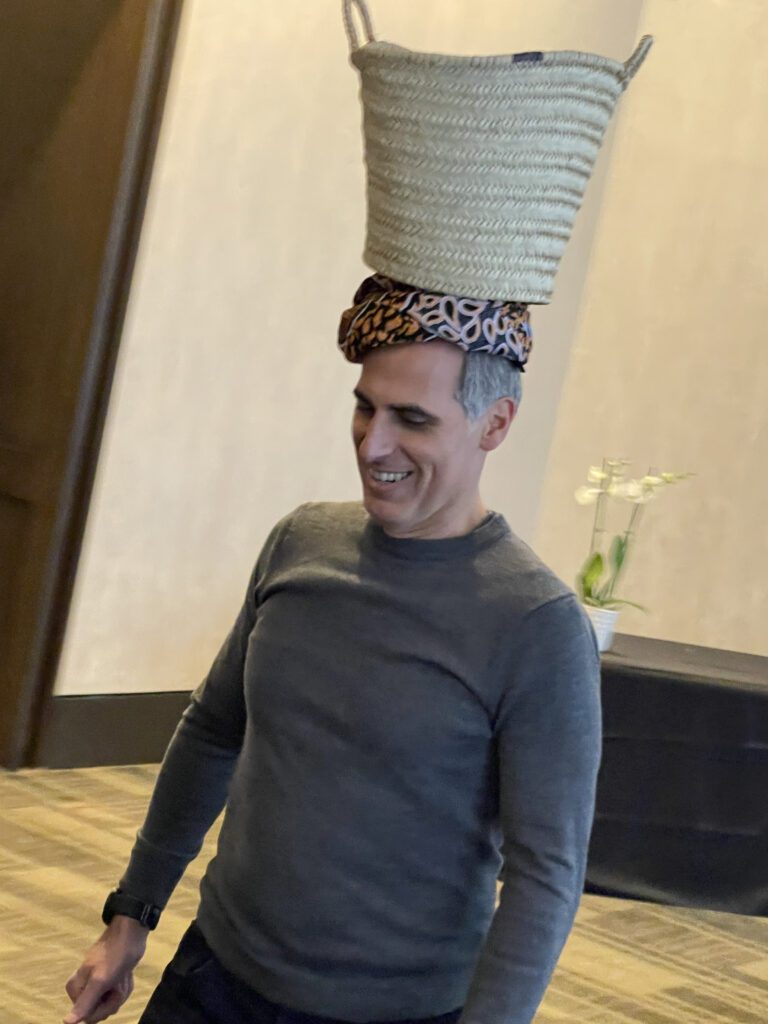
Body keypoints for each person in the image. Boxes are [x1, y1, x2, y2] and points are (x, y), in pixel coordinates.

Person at [63, 277, 602, 1024]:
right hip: (214, 975)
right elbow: (214, 728)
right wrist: (131, 916)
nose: (373, 443)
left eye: (412, 419)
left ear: (495, 423)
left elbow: (546, 874)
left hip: (393, 1011)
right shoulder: (300, 543)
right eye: (365, 406)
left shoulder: (536, 625)